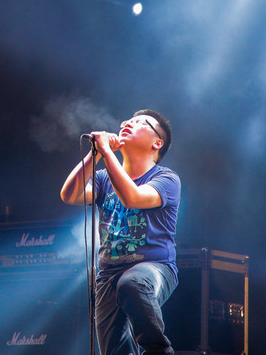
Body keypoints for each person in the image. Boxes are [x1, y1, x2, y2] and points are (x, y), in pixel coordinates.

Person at [60, 109, 180, 355]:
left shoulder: (166, 179)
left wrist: (106, 152)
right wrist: (94, 155)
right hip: (107, 274)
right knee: (114, 351)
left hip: (155, 267)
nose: (128, 123)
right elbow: (69, 195)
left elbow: (132, 197)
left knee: (133, 283)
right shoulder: (104, 178)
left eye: (140, 123)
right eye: (127, 121)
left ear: (157, 143)